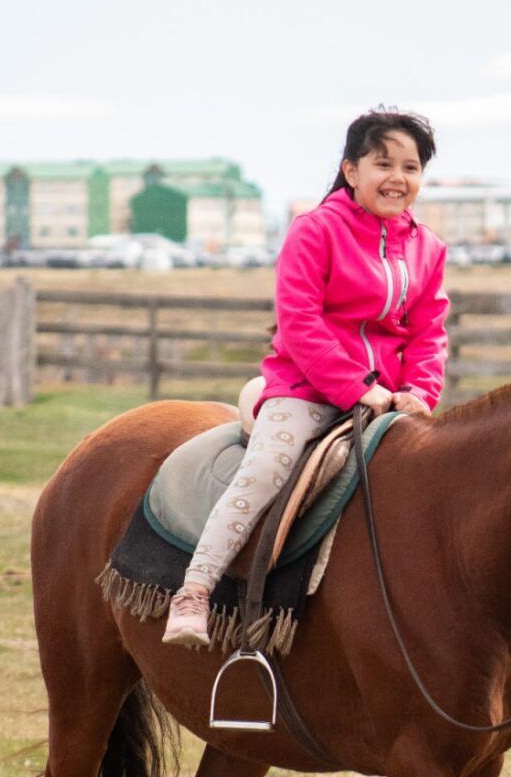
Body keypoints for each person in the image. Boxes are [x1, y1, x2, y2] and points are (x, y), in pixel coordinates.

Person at [163, 107, 450, 647]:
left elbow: (429, 330)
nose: (398, 178)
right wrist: (357, 388)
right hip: (309, 391)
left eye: (410, 168)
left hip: (394, 401)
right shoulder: (315, 230)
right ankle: (195, 592)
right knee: (268, 468)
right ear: (350, 169)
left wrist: (418, 392)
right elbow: (299, 321)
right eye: (382, 163)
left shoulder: (427, 247)